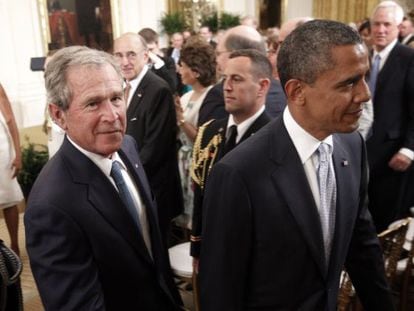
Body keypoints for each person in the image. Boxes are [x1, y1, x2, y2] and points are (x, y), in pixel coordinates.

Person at [199, 20, 394, 310]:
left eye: (364, 77)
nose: (364, 94)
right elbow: (221, 292)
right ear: (297, 91)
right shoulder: (238, 174)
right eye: (348, 83)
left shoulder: (352, 147)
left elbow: (361, 247)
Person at [24, 46, 182, 310]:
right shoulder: (49, 207)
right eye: (93, 103)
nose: (112, 116)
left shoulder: (128, 146)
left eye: (116, 98)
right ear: (58, 115)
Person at [191, 49, 271, 270]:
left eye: (237, 79)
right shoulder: (209, 132)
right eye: (225, 78)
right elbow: (201, 193)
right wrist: (197, 248)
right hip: (212, 250)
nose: (226, 87)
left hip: (252, 259)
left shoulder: (274, 139)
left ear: (262, 86)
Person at [113, 33, 183, 243]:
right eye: (119, 55)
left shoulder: (158, 89)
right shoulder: (120, 87)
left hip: (153, 190)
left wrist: (121, 176)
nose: (125, 62)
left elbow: (155, 150)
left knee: (158, 254)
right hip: (134, 183)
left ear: (145, 56)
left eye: (131, 55)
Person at [366, 1, 414, 232]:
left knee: (384, 224)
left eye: (387, 24)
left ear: (398, 27)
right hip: (359, 150)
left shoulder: (408, 58)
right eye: (376, 24)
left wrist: (409, 149)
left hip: (392, 156)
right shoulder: (361, 55)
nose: (380, 30)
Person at [199, 25, 286, 125]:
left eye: (219, 53)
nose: (216, 60)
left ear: (236, 54)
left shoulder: (219, 94)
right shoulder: (283, 90)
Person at [174, 37, 216, 227]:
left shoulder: (212, 97)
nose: (179, 70)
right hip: (182, 161)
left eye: (182, 66)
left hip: (198, 163)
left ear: (196, 71)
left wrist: (180, 119)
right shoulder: (186, 95)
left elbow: (202, 139)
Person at [0, 84, 23, 256]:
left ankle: (14, 244)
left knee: (9, 200)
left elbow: (10, 120)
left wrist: (18, 154)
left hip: (3, 153)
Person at [138, 27, 177, 92]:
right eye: (145, 50)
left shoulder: (168, 61)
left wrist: (159, 64)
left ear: (157, 45)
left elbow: (172, 86)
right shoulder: (137, 64)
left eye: (151, 49)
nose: (148, 54)